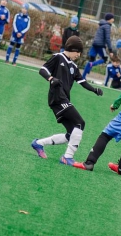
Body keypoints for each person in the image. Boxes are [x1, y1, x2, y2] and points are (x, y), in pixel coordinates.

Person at [31, 36, 103, 166]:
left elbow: (82, 82)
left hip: (63, 100)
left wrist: (94, 90)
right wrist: (51, 79)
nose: (79, 55)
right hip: (58, 98)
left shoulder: (74, 66)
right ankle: (67, 157)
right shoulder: (58, 57)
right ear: (72, 49)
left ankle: (38, 143)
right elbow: (43, 70)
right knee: (80, 123)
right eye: (78, 52)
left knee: (71, 134)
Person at [82, 13, 114, 79]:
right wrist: (110, 50)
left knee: (91, 59)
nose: (113, 20)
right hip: (100, 45)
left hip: (94, 44)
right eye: (112, 18)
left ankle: (83, 76)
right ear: (109, 19)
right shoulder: (107, 26)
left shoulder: (101, 24)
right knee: (105, 59)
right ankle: (92, 64)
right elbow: (107, 38)